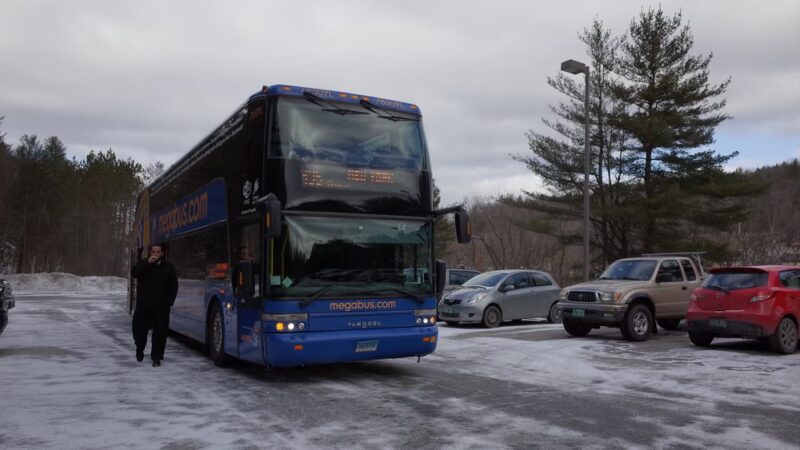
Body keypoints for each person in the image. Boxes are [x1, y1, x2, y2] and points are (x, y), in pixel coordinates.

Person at [131, 244, 178, 367]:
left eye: (158, 252)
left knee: (160, 332)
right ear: (150, 253)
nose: (155, 254)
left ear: (162, 253)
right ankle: (139, 349)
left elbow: (174, 286)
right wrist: (147, 263)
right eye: (153, 252)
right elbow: (134, 273)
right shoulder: (143, 264)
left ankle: (156, 357)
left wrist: (169, 301)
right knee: (139, 330)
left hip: (161, 306)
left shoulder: (168, 267)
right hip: (144, 305)